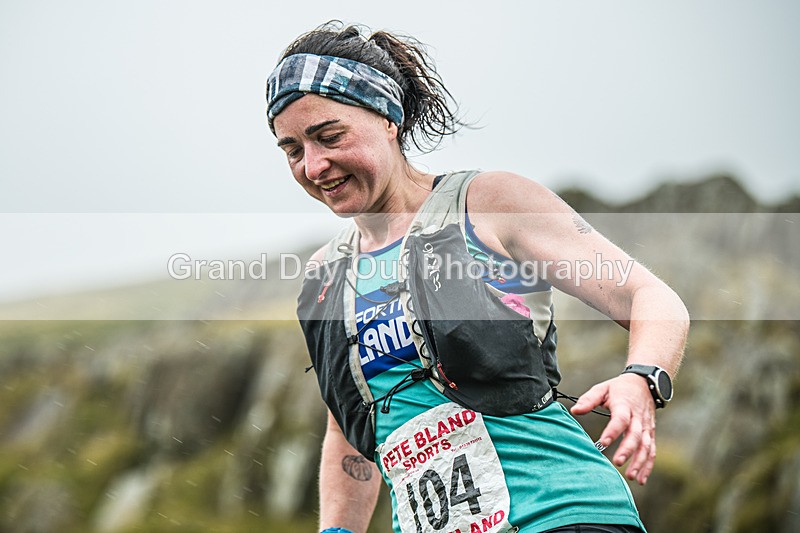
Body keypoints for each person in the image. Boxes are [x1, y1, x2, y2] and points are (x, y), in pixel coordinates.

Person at [266, 21, 689, 533]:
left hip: (561, 515)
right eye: (292, 150)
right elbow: (350, 426)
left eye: (329, 136)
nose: (313, 166)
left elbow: (649, 296)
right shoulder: (324, 276)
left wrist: (642, 378)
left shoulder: (487, 205)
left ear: (388, 119)